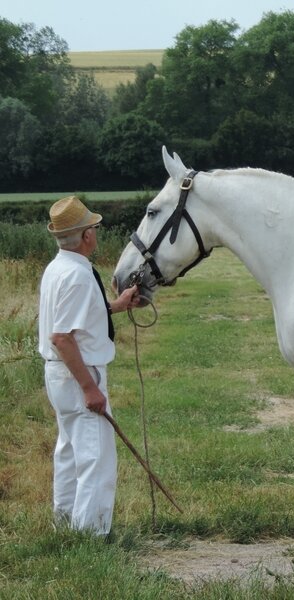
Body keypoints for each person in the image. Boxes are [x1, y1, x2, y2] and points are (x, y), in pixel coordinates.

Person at [38, 196, 140, 535]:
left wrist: (117, 306)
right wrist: (89, 388)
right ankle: (90, 536)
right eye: (94, 228)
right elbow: (62, 337)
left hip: (59, 374)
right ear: (85, 236)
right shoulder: (78, 276)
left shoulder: (59, 268)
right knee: (96, 458)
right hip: (77, 373)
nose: (96, 233)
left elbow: (75, 320)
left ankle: (65, 524)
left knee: (69, 451)